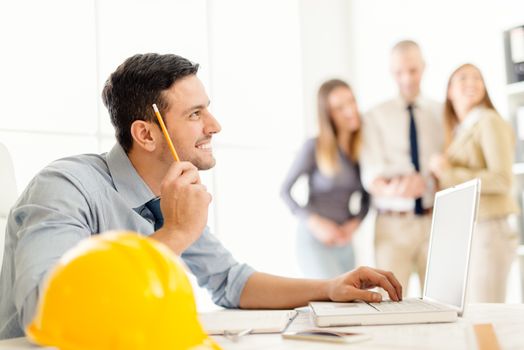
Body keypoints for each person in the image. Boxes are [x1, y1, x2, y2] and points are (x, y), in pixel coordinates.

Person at [0, 53, 402, 339]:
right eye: (195, 114)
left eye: (207, 110)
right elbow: (44, 310)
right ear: (145, 133)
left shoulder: (167, 192)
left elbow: (232, 282)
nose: (215, 125)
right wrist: (174, 234)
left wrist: (329, 287)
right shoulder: (64, 187)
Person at [429, 63, 519, 303]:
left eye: (477, 78)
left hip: (490, 228)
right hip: (472, 229)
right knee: (471, 310)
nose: (472, 83)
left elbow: (501, 179)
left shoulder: (488, 120)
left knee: (484, 308)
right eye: (463, 78)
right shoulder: (460, 130)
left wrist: (448, 172)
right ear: (449, 91)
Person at [360, 40, 443, 296]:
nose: (406, 78)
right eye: (399, 72)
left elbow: (448, 165)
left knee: (442, 299)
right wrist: (398, 188)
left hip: (434, 221)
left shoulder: (440, 113)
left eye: (413, 70)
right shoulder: (375, 116)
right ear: (390, 72)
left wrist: (433, 182)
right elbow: (370, 176)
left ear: (424, 67)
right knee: (390, 303)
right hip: (392, 225)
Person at [281, 79, 370, 278]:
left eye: (351, 101)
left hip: (344, 242)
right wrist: (314, 223)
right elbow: (285, 191)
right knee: (330, 302)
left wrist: (354, 223)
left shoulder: (362, 150)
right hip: (315, 241)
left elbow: (368, 196)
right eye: (340, 108)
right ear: (328, 115)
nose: (350, 111)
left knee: (349, 304)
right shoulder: (314, 147)